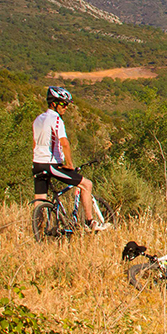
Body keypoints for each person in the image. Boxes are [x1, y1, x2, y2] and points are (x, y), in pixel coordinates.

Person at [32, 87, 109, 231]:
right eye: (63, 104)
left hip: (37, 163)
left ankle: (38, 231)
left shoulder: (38, 119)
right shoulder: (56, 119)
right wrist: (69, 164)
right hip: (51, 164)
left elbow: (34, 143)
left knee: (40, 199)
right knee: (86, 184)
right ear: (54, 103)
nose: (66, 107)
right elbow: (64, 142)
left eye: (67, 104)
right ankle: (89, 223)